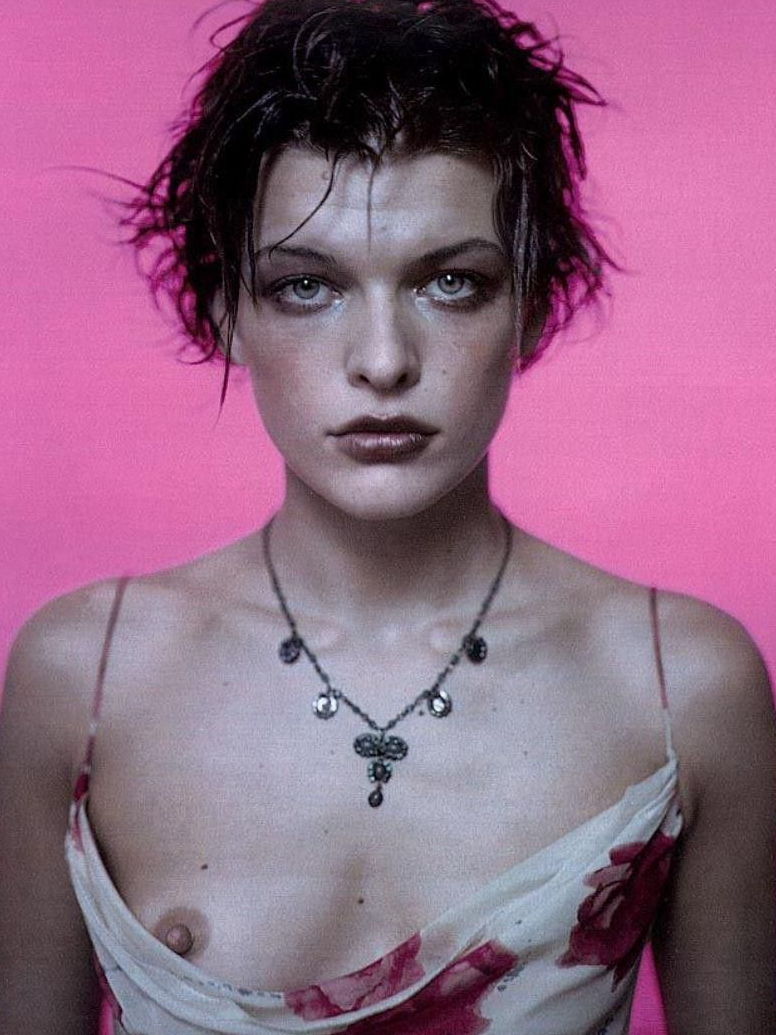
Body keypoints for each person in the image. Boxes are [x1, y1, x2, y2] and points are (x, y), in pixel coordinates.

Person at [1, 0, 774, 1032]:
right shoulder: (83, 679)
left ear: (531, 302)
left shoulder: (682, 686)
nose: (381, 361)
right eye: (306, 286)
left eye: (451, 282)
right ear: (227, 308)